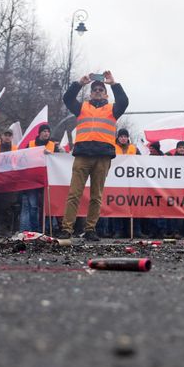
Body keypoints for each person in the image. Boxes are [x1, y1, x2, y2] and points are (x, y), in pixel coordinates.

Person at [60, 71, 128, 242]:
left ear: (105, 93)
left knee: (96, 196)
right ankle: (67, 229)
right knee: (74, 194)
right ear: (90, 93)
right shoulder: (82, 107)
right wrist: (79, 83)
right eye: (95, 89)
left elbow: (124, 101)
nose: (97, 90)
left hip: (102, 157)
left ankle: (90, 229)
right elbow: (67, 98)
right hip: (83, 155)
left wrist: (113, 83)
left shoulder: (113, 108)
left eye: (100, 89)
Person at [19, 124, 55, 233]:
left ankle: (45, 229)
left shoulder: (53, 146)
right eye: (44, 131)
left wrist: (55, 154)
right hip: (32, 180)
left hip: (47, 181)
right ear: (39, 133)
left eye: (48, 131)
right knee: (33, 206)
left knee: (47, 207)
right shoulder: (30, 145)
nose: (46, 133)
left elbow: (59, 159)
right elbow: (22, 159)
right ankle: (34, 230)